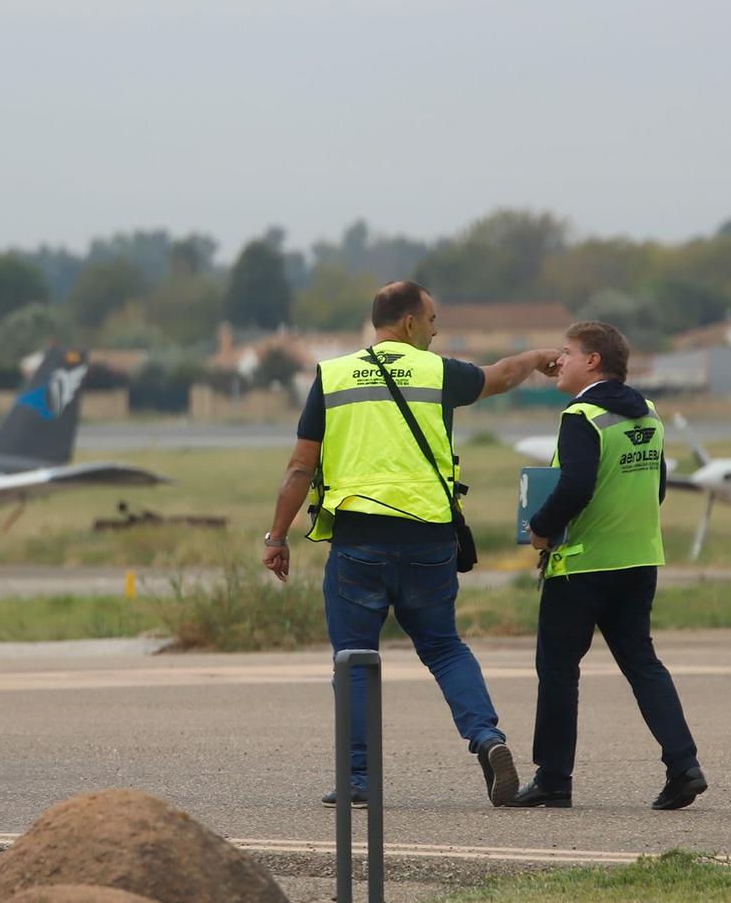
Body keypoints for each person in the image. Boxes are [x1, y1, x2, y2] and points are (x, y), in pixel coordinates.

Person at [262, 280, 559, 809]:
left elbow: (300, 467)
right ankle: (488, 739)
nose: (436, 329)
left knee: (354, 659)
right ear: (408, 324)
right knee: (445, 648)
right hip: (429, 541)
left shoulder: (333, 377)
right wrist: (537, 356)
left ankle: (358, 780)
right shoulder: (438, 371)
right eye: (432, 320)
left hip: (358, 542)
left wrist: (278, 536)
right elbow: (501, 375)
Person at [507, 320, 707, 811]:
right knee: (642, 663)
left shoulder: (582, 416)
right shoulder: (650, 414)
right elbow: (656, 486)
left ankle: (553, 778)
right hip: (638, 561)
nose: (560, 361)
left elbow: (575, 485)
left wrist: (541, 527)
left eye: (568, 352)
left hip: (581, 565)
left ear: (593, 361)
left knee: (557, 671)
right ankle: (684, 766)